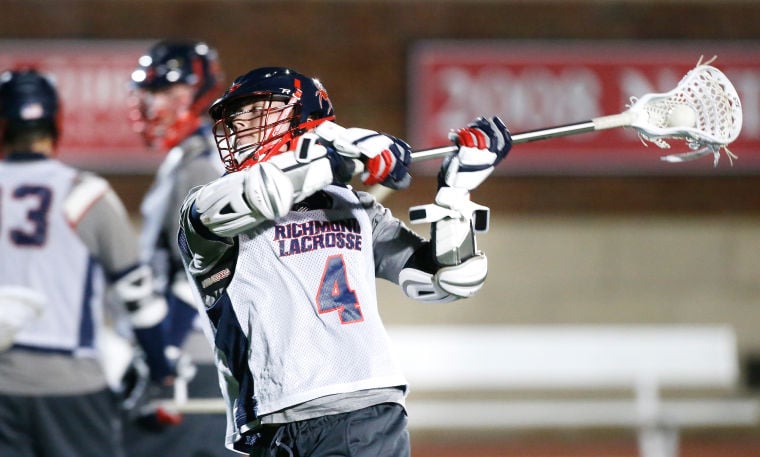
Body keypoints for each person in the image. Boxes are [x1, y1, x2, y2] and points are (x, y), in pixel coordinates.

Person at [177, 66, 512, 456]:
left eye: (256, 111)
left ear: (303, 119)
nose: (239, 127)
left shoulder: (354, 206)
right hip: (271, 422)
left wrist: (456, 192)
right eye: (235, 119)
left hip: (362, 410)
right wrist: (336, 156)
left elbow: (447, 279)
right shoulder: (208, 206)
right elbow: (258, 193)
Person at [0, 68, 174, 457]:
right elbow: (138, 296)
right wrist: (161, 370)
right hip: (71, 383)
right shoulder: (87, 195)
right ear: (55, 121)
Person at [128, 39, 225, 358]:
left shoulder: (198, 166)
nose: (155, 105)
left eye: (168, 94)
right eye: (152, 93)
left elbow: (202, 266)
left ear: (200, 95)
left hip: (192, 344)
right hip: (188, 338)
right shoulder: (187, 158)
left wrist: (166, 349)